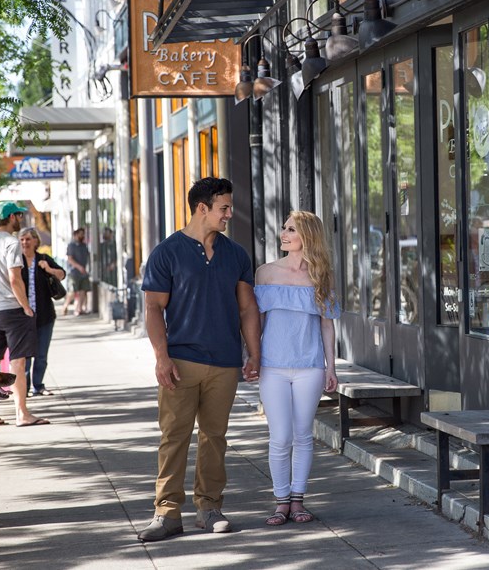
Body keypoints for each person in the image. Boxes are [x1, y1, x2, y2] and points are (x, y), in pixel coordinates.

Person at [137, 177, 261, 543]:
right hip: (181, 361)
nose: (229, 214)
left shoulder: (235, 254)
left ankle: (209, 508)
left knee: (215, 438)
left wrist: (253, 354)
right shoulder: (167, 252)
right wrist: (161, 358)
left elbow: (247, 307)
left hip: (224, 362)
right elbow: (153, 308)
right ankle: (166, 513)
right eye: (223, 207)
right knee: (173, 437)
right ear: (202, 208)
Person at [254, 211, 339, 526]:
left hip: (310, 367)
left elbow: (327, 326)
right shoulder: (265, 273)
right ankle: (280, 502)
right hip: (272, 366)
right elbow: (257, 323)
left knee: (303, 435)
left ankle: (298, 501)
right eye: (284, 228)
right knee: (280, 436)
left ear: (308, 236)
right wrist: (251, 358)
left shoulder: (321, 274)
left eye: (291, 229)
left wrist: (331, 366)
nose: (284, 233)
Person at [0, 201, 48, 428]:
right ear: (11, 217)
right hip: (12, 309)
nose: (20, 218)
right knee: (18, 362)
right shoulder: (11, 242)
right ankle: (22, 413)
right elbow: (14, 278)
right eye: (18, 215)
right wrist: (26, 307)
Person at [20, 227, 66, 397]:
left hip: (45, 315)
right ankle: (23, 388)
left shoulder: (43, 259)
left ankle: (38, 386)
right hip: (23, 317)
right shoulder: (16, 261)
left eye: (28, 239)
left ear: (35, 241)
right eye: (22, 239)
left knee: (41, 354)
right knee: (24, 355)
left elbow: (62, 274)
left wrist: (49, 269)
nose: (25, 242)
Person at [65, 228, 91, 316]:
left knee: (83, 290)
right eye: (80, 234)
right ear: (75, 235)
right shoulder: (71, 246)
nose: (82, 236)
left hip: (83, 272)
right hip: (74, 272)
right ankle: (66, 305)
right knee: (73, 291)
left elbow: (88, 257)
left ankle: (79, 309)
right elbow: (70, 259)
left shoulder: (84, 246)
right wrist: (79, 267)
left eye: (83, 234)